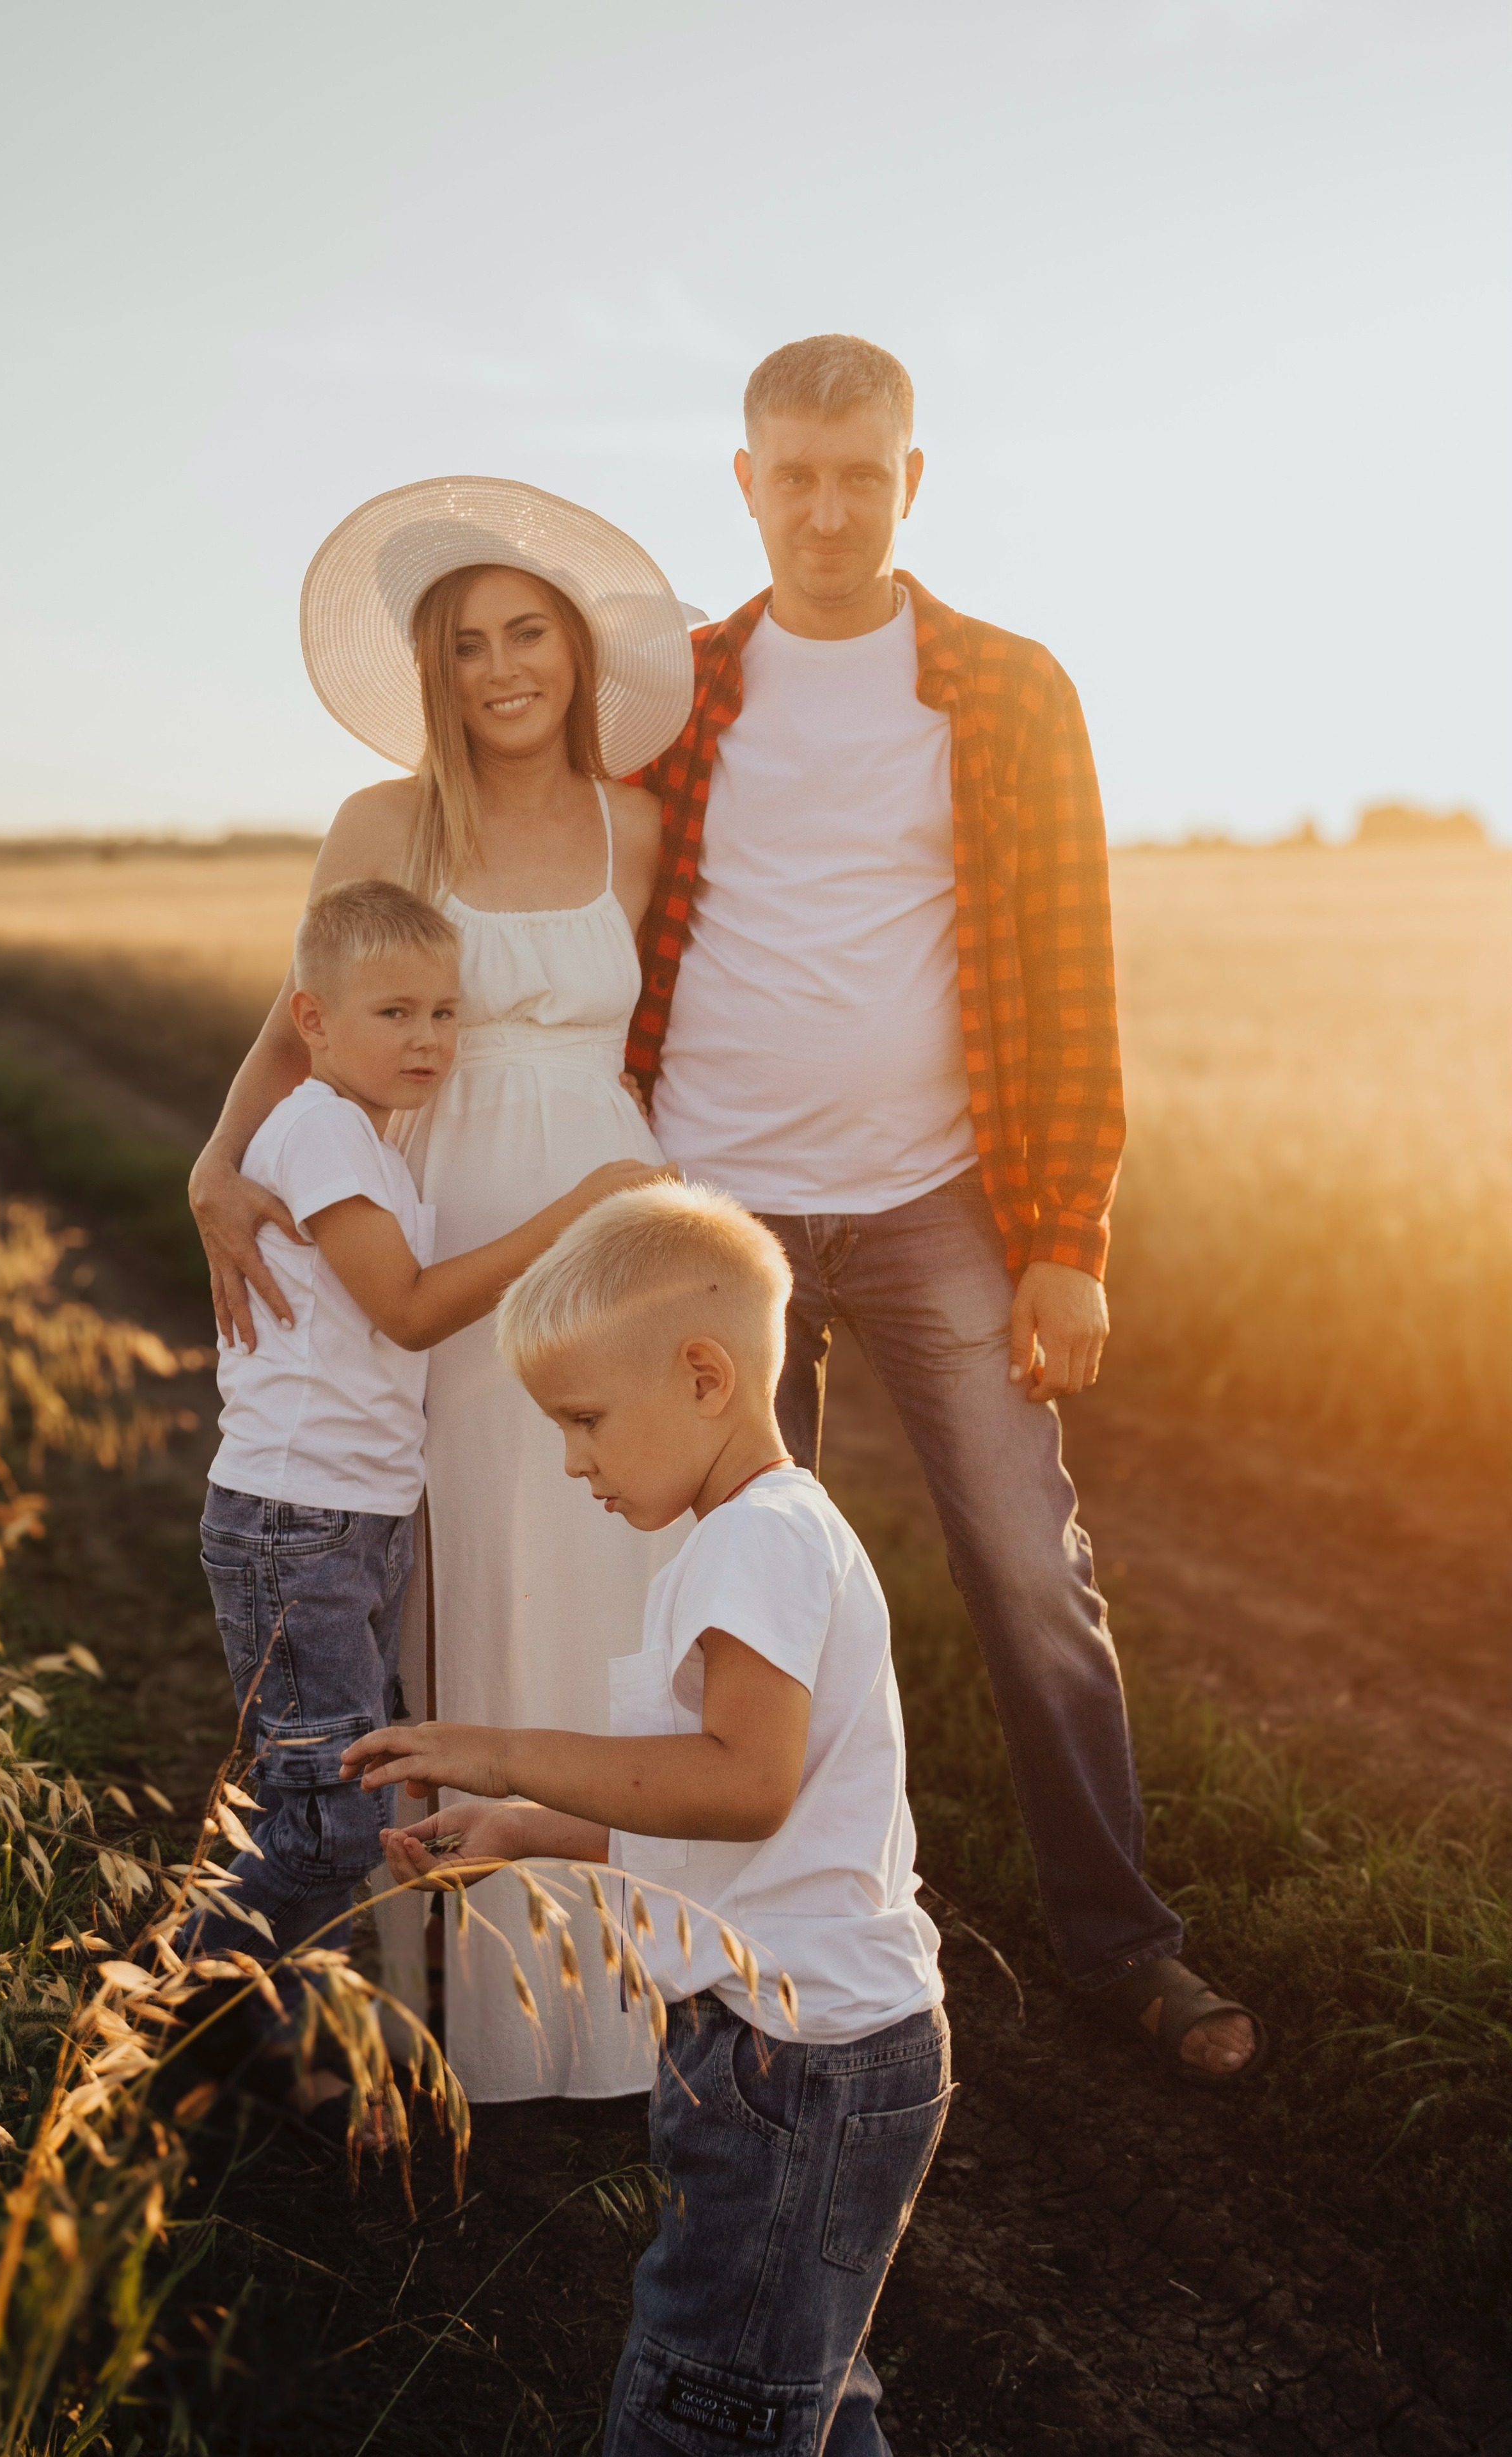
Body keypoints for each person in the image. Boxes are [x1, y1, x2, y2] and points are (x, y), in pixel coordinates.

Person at [628, 335, 1266, 2085]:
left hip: (930, 1205)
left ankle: (1122, 1948)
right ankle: (736, 1964)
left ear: (913, 481)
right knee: (736, 1599)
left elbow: (1071, 973)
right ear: (747, 485)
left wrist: (1066, 1231)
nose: (827, 508)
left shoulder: (1004, 688)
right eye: (794, 475)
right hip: (714, 1211)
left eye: (862, 473)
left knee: (1028, 1576)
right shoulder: (670, 691)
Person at [187, 479, 698, 2099]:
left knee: (611, 1568)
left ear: (577, 648)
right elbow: (302, 1025)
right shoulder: (380, 826)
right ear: (433, 667)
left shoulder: (639, 822)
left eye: (526, 632)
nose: (499, 668)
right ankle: (450, 2011)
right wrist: (215, 1159)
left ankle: (627, 1992)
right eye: (467, 642)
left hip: (607, 1205)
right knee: (455, 1578)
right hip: (448, 1211)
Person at [344, 1179, 950, 2455]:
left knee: (700, 2407)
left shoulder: (754, 1545)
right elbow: (736, 1826)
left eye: (584, 1419)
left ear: (701, 1375)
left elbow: (741, 1783)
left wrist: (501, 1742)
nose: (572, 1459)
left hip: (793, 2061)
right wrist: (522, 1825)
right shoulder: (775, 1532)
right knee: (801, 2393)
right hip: (826, 2044)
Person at [191, 876, 659, 1966]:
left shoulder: (366, 1142)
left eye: (446, 1014)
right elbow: (405, 1310)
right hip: (296, 1522)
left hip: (352, 1517)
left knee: (334, 1797)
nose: (428, 1040)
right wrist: (575, 1212)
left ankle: (278, 2054)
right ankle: (160, 2033)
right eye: (393, 1013)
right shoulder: (320, 1136)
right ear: (311, 1019)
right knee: (327, 1821)